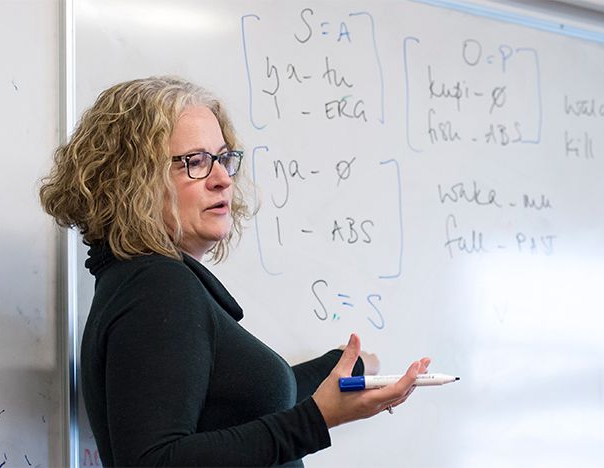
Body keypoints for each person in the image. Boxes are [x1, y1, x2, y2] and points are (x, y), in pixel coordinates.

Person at [40, 76, 430, 467]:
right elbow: (155, 461)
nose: (223, 178)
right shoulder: (157, 289)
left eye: (223, 158)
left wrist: (347, 367)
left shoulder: (139, 283)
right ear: (132, 182)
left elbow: (243, 405)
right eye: (194, 162)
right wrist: (317, 420)